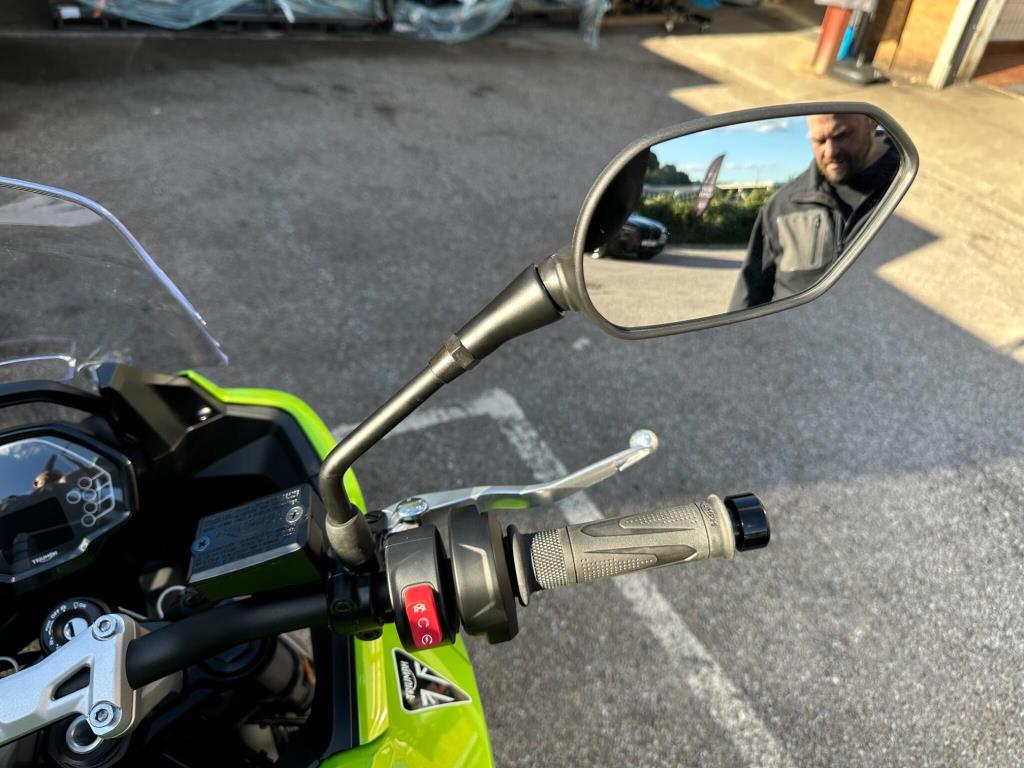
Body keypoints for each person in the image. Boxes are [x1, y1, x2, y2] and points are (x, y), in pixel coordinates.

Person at [729, 114, 900, 310]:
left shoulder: (910, 186)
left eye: (841, 135)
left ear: (871, 122)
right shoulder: (783, 206)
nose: (831, 151)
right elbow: (749, 296)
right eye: (819, 140)